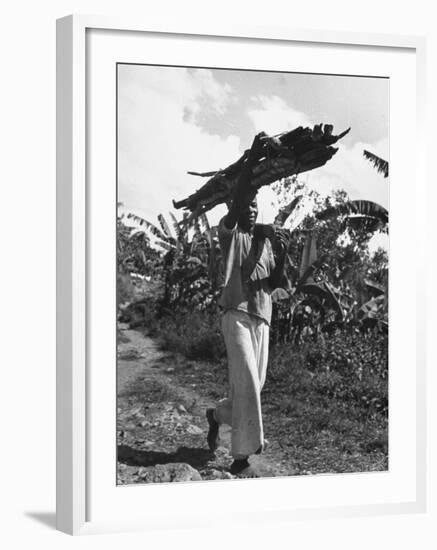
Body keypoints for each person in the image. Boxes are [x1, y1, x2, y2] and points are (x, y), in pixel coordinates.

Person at [206, 132, 290, 477]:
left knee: (250, 387)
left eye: (256, 208)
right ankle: (241, 456)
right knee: (248, 383)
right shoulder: (230, 234)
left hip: (262, 319)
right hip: (236, 316)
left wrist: (281, 250)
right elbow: (240, 198)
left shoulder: (265, 243)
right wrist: (254, 156)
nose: (251, 211)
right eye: (247, 207)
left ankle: (215, 416)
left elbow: (274, 283)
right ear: (237, 210)